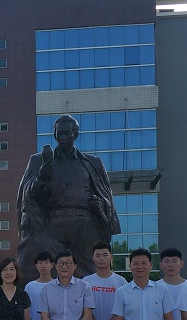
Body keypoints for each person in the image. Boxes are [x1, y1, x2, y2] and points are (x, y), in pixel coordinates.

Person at [16, 114, 120, 280]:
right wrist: (41, 177)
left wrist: (99, 204)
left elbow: (105, 193)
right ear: (55, 135)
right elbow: (26, 196)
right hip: (50, 225)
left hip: (84, 226)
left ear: (75, 134)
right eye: (60, 134)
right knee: (34, 269)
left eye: (67, 133)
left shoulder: (92, 162)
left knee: (90, 273)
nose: (63, 137)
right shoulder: (39, 161)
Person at [23, 250, 54, 320]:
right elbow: (27, 312)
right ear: (36, 266)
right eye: (40, 263)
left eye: (46, 262)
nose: (43, 265)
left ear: (52, 265)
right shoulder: (30, 286)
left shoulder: (57, 285)